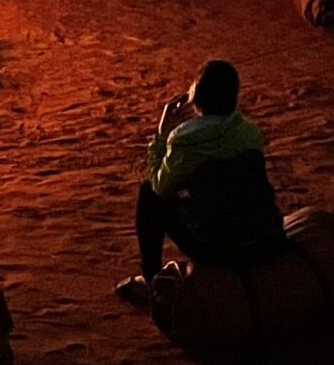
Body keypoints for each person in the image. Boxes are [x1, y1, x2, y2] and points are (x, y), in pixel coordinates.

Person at [116, 58, 286, 306]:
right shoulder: (248, 132)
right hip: (269, 240)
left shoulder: (186, 140)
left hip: (220, 248)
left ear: (196, 98)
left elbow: (159, 186)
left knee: (150, 196)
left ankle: (151, 280)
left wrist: (163, 135)